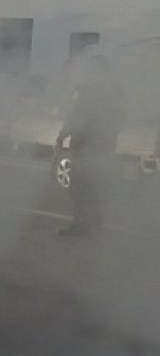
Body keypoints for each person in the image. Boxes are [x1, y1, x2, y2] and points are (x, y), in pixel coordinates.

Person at [54, 53, 124, 237]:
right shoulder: (116, 90)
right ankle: (95, 223)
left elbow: (76, 116)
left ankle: (81, 225)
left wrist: (62, 136)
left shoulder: (87, 89)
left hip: (85, 145)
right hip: (105, 145)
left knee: (79, 186)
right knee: (97, 185)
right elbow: (119, 118)